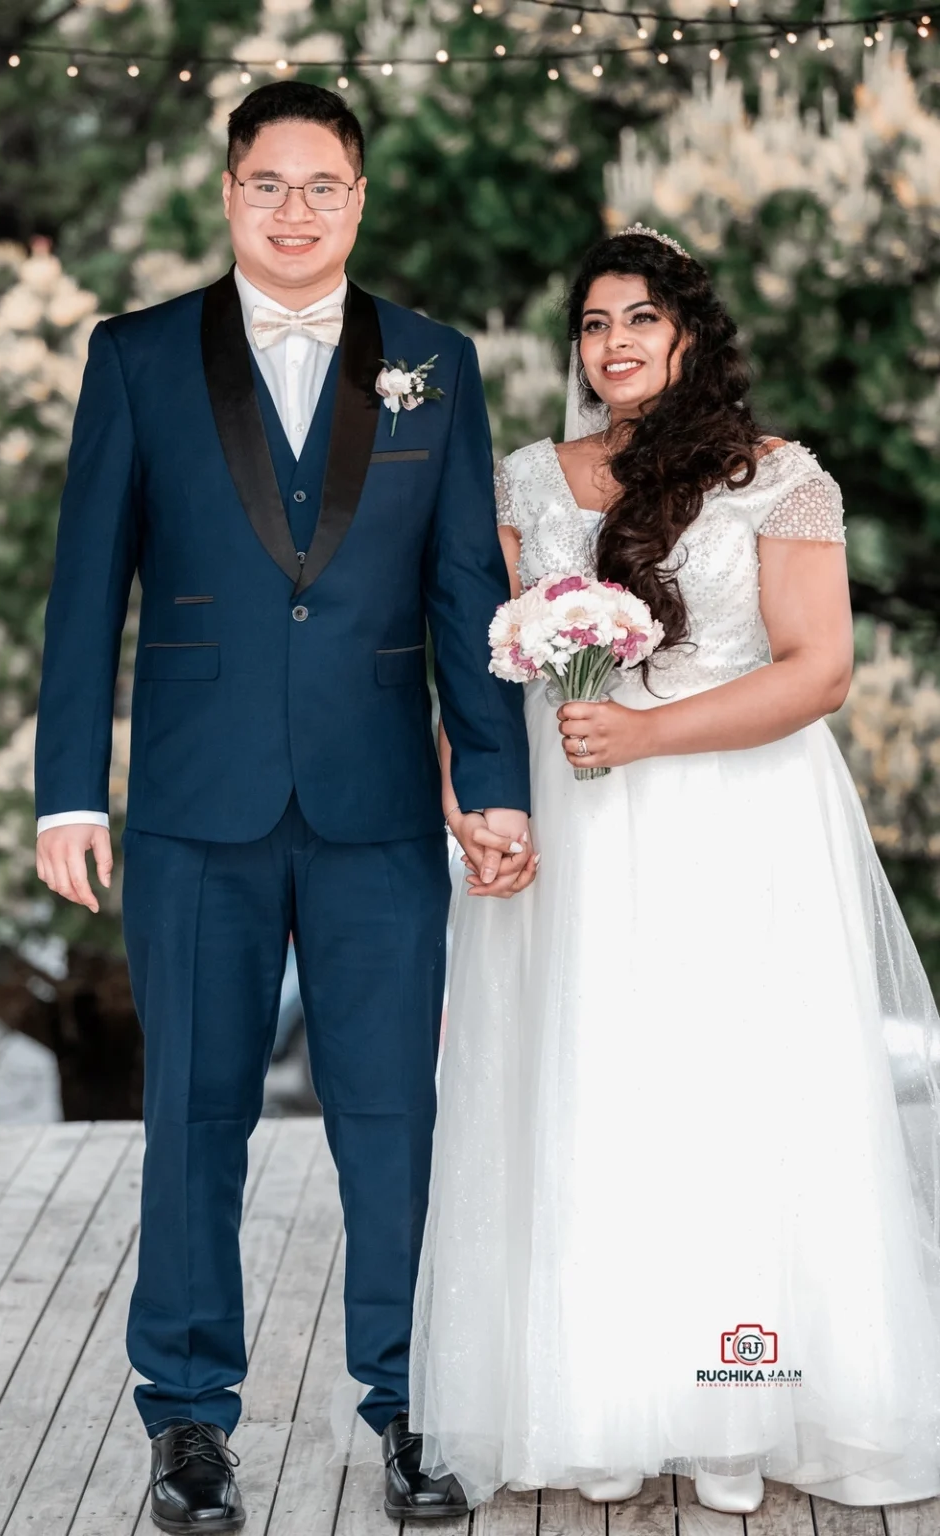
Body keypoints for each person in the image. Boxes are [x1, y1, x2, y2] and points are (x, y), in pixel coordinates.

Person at [33, 82, 533, 1531]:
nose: (295, 210)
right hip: (195, 807)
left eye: (323, 186)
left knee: (392, 1119)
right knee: (193, 1120)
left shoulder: (433, 361)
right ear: (229, 190)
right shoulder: (133, 358)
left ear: (358, 199)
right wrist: (73, 789)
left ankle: (409, 1405)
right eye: (268, 184)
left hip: (380, 807)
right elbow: (86, 597)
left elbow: (462, 591)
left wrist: (487, 784)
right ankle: (187, 1425)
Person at [410, 227, 940, 1515]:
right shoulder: (532, 477)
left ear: (688, 333)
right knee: (586, 1082)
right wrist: (469, 802)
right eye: (593, 324)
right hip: (572, 822)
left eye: (639, 319)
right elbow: (475, 656)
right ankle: (597, 1394)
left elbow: (817, 671)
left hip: (730, 819)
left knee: (727, 1097)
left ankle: (737, 1408)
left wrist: (647, 731)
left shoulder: (778, 478)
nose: (615, 345)